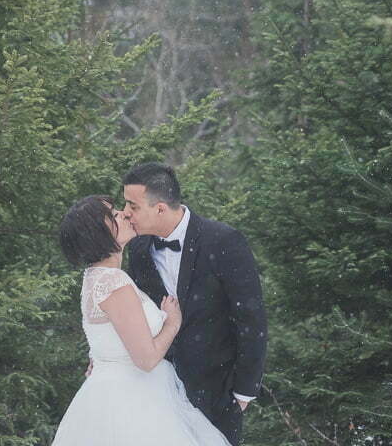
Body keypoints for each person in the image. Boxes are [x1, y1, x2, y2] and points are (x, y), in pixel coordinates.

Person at [54, 194, 232, 446]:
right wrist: (172, 322)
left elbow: (108, 338)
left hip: (110, 393)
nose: (124, 214)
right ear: (100, 234)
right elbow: (146, 359)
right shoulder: (114, 283)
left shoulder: (95, 277)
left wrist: (98, 358)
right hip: (135, 399)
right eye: (114, 215)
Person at [123, 162, 267, 446]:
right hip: (158, 391)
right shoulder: (139, 249)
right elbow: (133, 314)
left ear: (160, 208)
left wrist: (243, 392)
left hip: (217, 391)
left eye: (133, 205)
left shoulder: (223, 240)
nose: (126, 213)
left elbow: (251, 317)